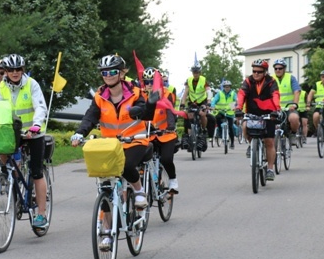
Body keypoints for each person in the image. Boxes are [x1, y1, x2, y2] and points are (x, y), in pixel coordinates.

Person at [70, 55, 158, 210]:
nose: (108, 76)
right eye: (104, 73)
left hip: (134, 141)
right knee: (103, 180)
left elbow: (146, 114)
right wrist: (79, 133)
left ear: (121, 73)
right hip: (110, 144)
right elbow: (90, 117)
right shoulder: (99, 97)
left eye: (112, 72)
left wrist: (148, 106)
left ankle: (138, 191)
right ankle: (105, 232)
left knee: (125, 165)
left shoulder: (135, 93)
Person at [0, 53, 50, 229]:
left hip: (33, 133)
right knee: (5, 157)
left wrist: (36, 125)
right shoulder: (3, 86)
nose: (15, 72)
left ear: (23, 70)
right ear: (6, 71)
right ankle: (9, 178)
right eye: (10, 70)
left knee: (36, 172)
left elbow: (40, 106)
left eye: (18, 69)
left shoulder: (32, 84)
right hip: (14, 133)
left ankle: (41, 213)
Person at [235, 59, 280, 180]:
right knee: (244, 126)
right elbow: (241, 94)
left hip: (269, 114)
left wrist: (277, 109)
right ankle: (251, 145)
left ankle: (270, 169)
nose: (256, 74)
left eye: (259, 72)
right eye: (254, 71)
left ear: (265, 72)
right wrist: (238, 108)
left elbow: (275, 95)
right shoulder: (248, 81)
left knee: (269, 142)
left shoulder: (271, 82)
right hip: (252, 113)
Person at [141, 67, 179, 193]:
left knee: (166, 159)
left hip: (165, 134)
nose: (149, 85)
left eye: (152, 81)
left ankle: (173, 181)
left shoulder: (167, 94)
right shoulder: (141, 95)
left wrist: (170, 126)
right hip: (147, 134)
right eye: (146, 82)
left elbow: (170, 112)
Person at [179, 63, 215, 152]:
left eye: (197, 72)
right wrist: (182, 103)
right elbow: (185, 93)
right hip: (192, 101)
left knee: (202, 114)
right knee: (189, 115)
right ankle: (190, 136)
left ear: (200, 72)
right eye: (194, 72)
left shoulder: (204, 80)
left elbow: (208, 91)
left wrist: (209, 102)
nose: (195, 74)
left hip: (202, 101)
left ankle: (203, 130)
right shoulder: (189, 80)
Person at [272, 59, 301, 139]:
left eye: (280, 68)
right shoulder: (270, 79)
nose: (278, 70)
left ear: (284, 69)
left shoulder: (291, 78)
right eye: (276, 68)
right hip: (274, 108)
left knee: (294, 118)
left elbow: (296, 92)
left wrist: (294, 105)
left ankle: (293, 134)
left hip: (289, 107)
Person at [210, 80, 237, 149]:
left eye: (228, 87)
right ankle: (220, 132)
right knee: (218, 119)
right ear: (223, 87)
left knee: (230, 127)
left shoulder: (233, 93)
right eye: (225, 87)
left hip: (230, 112)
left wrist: (236, 106)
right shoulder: (220, 93)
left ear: (230, 87)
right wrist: (212, 106)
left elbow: (237, 100)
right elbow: (214, 100)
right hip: (221, 111)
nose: (227, 88)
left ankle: (232, 143)